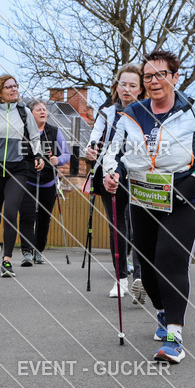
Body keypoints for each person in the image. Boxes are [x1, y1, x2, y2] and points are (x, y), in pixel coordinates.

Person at [102, 50, 195, 364]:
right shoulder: (131, 113)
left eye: (161, 75)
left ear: (175, 77)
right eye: (148, 76)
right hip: (144, 197)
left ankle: (174, 337)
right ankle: (163, 310)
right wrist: (111, 174)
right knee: (148, 268)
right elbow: (114, 152)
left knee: (170, 258)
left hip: (186, 194)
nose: (154, 81)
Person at [84, 65, 145, 300]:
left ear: (141, 89)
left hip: (139, 172)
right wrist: (91, 149)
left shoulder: (146, 112)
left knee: (139, 226)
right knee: (117, 226)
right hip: (110, 171)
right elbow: (95, 136)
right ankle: (120, 280)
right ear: (116, 86)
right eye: (123, 84)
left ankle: (140, 278)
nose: (127, 89)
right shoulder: (106, 112)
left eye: (132, 85)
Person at [0, 75, 45, 277]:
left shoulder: (24, 112)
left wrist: (38, 154)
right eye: (9, 86)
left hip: (18, 170)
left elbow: (34, 137)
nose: (14, 89)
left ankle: (7, 260)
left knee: (10, 212)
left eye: (16, 86)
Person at [26, 101, 70, 264]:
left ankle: (38, 250)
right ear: (31, 114)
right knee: (28, 217)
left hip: (48, 182)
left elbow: (66, 154)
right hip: (28, 181)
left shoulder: (54, 131)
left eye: (44, 109)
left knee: (44, 219)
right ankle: (27, 251)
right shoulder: (24, 131)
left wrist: (58, 160)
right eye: (38, 110)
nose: (43, 112)